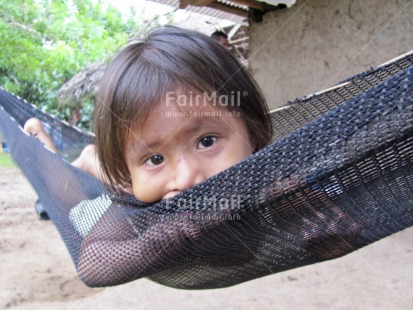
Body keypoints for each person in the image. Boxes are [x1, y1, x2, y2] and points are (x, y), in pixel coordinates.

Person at [23, 26, 358, 287]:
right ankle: (56, 153)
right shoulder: (134, 213)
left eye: (207, 140)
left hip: (130, 175)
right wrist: (153, 243)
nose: (187, 178)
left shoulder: (268, 182)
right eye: (156, 158)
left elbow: (326, 213)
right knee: (70, 189)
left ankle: (104, 158)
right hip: (119, 186)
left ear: (252, 135)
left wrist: (323, 222)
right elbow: (94, 265)